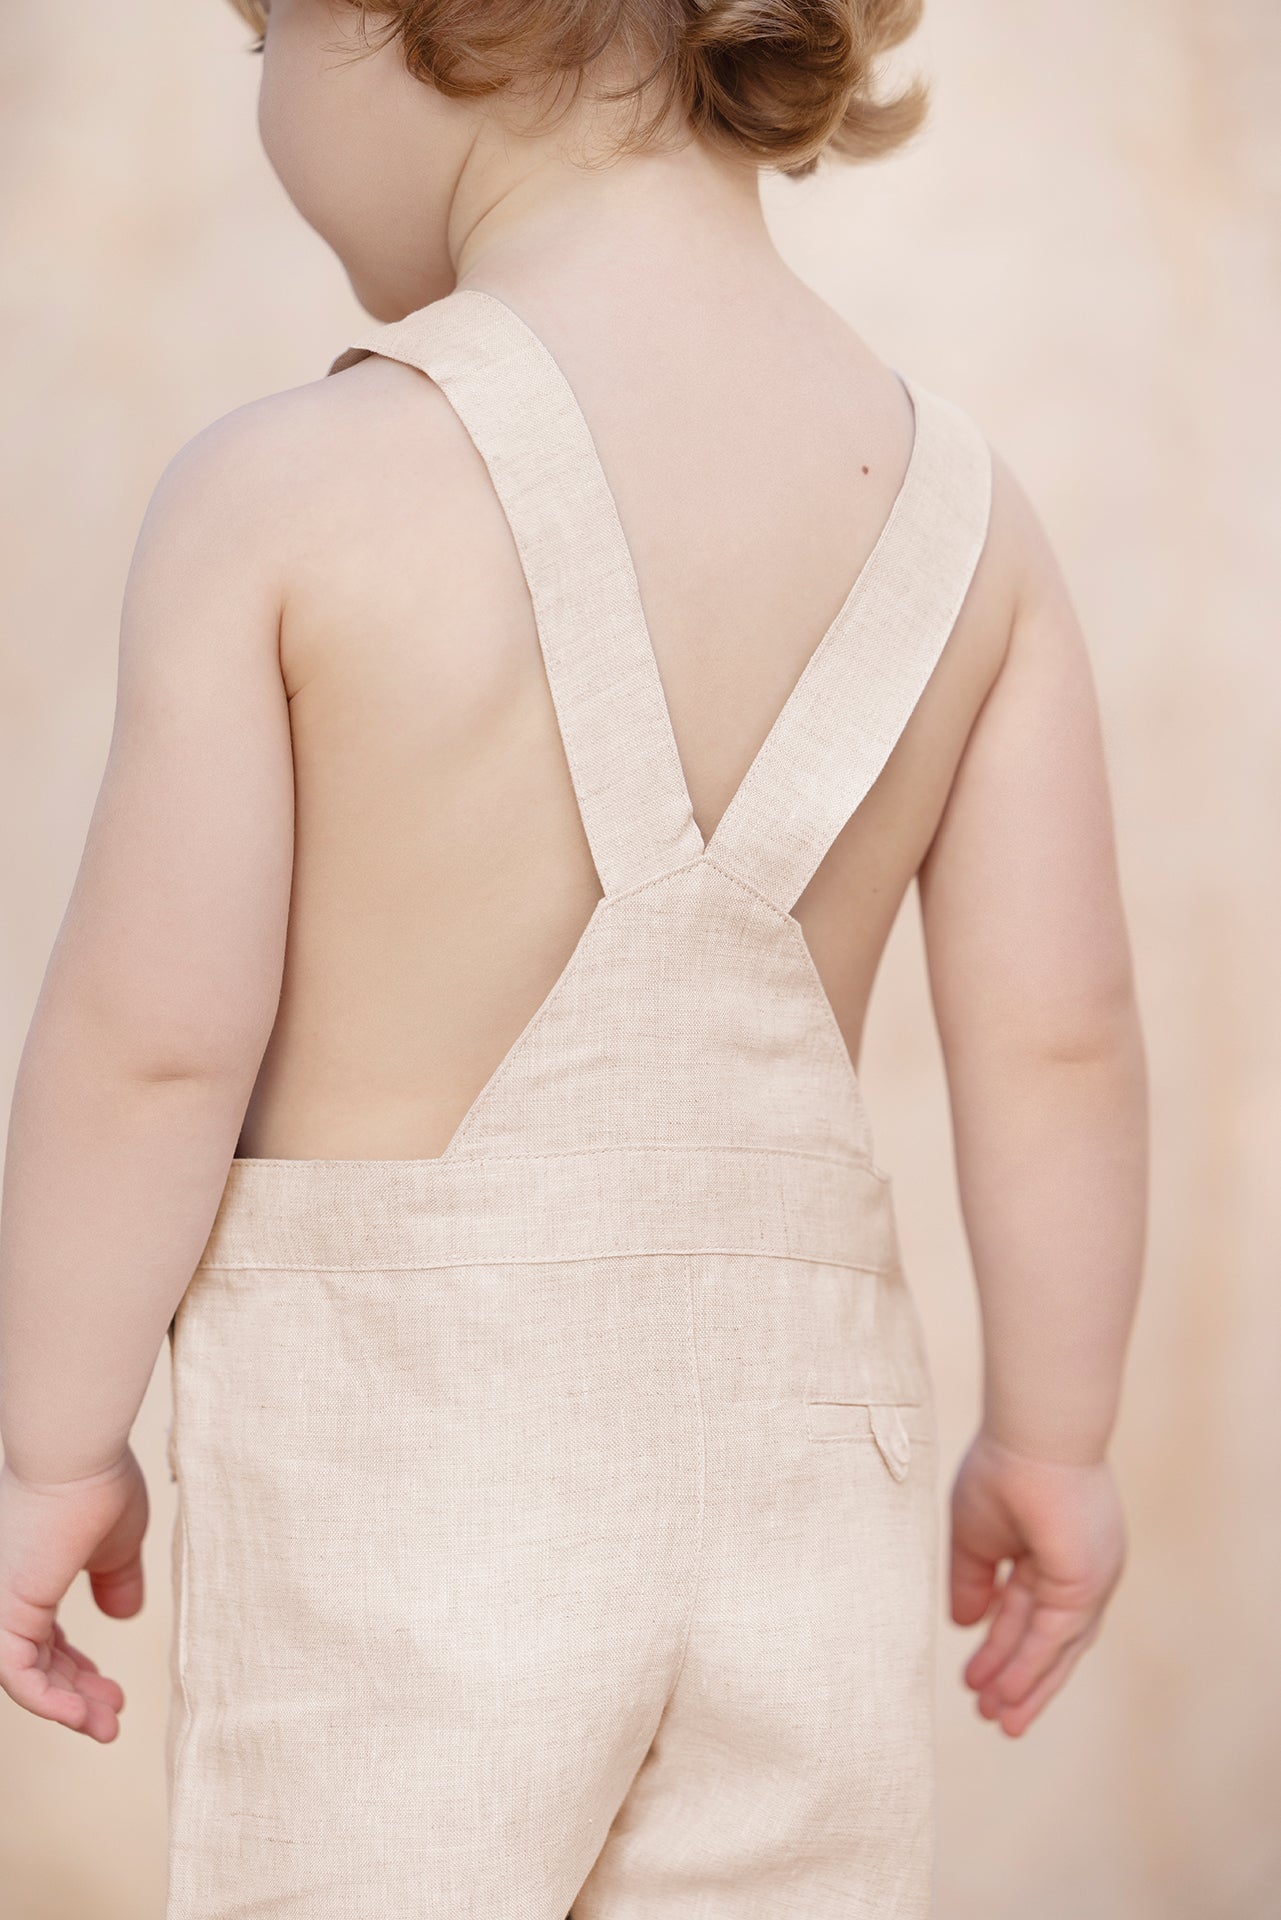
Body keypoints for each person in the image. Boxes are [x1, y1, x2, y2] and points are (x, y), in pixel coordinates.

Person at [0, 0, 1148, 1912]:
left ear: (399, 21)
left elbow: (150, 1048)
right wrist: (1054, 1441)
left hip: (409, 1487)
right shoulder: (968, 523)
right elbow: (1060, 1045)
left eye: (264, 38)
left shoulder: (283, 492)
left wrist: (52, 1446)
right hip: (803, 1504)